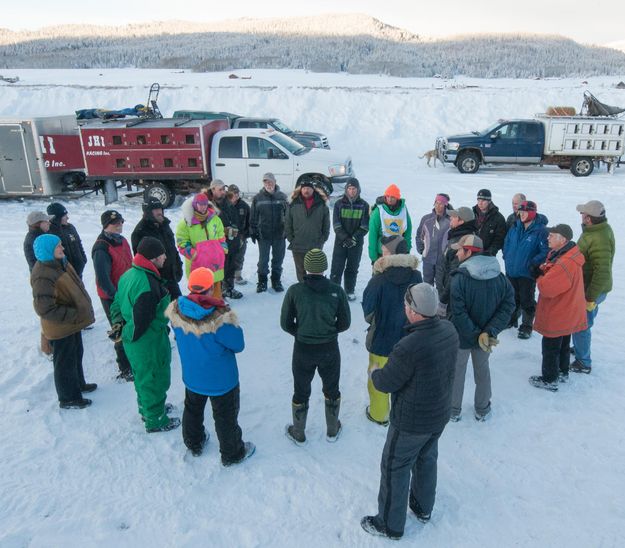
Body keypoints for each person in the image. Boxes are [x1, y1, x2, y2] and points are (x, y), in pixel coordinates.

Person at [361, 283, 458, 540]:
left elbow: (386, 382)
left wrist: (375, 373)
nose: (404, 308)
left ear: (414, 312)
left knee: (395, 466)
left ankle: (390, 525)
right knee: (427, 459)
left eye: (406, 305)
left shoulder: (409, 346)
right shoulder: (448, 329)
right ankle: (423, 507)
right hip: (438, 415)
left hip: (411, 423)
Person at [166, 267, 255, 465]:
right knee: (225, 416)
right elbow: (238, 345)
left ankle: (194, 442)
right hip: (221, 379)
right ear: (211, 288)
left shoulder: (176, 312)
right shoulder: (220, 319)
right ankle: (232, 453)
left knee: (193, 409)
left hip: (193, 375)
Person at [280, 249, 351, 445]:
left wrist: (301, 332)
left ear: (306, 268)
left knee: (301, 390)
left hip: (303, 349)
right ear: (325, 268)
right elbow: (345, 323)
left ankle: (299, 432)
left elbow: (285, 323)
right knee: (332, 388)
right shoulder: (337, 291)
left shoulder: (295, 291)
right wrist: (329, 332)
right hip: (329, 349)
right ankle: (332, 429)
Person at [111, 237, 180, 433]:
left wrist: (120, 326)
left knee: (143, 376)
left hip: (135, 341)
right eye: (162, 254)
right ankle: (155, 419)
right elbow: (142, 321)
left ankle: (148, 408)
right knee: (154, 377)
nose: (165, 257)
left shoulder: (129, 274)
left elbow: (116, 304)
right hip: (147, 341)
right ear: (152, 258)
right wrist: (131, 333)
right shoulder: (147, 284)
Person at [448, 235, 514, 422]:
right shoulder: (501, 278)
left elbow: (458, 313)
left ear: (469, 252)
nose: (457, 252)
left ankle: (453, 410)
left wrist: (478, 333)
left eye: (460, 249)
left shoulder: (459, 279)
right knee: (482, 370)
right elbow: (508, 306)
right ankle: (482, 409)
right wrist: (488, 332)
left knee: (457, 372)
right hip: (485, 338)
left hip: (462, 336)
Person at [30, 234, 96, 409]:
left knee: (75, 355)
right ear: (48, 250)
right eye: (59, 246)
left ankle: (78, 385)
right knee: (64, 362)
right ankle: (68, 398)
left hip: (71, 323)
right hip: (61, 326)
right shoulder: (43, 274)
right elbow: (44, 308)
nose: (63, 248)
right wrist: (72, 314)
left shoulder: (59, 263)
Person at [362, 235, 422, 425]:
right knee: (405, 378)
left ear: (393, 253)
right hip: (409, 339)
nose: (382, 252)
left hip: (381, 341)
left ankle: (379, 415)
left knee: (377, 377)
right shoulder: (416, 276)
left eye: (385, 249)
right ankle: (401, 413)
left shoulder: (378, 279)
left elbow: (368, 311)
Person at [530, 224, 587, 391]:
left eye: (552, 235)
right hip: (568, 309)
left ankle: (549, 379)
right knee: (563, 342)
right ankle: (562, 372)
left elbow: (547, 288)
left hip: (559, 310)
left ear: (563, 240)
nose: (548, 238)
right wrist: (546, 269)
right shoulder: (567, 254)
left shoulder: (565, 263)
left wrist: (539, 276)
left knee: (550, 345)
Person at [571, 200, 615, 374]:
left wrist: (589, 297)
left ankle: (583, 362)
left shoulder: (598, 238)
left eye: (583, 213)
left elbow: (602, 271)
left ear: (589, 218)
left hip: (593, 289)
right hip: (589, 286)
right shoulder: (597, 230)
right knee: (582, 323)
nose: (581, 215)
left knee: (581, 324)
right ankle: (580, 347)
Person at [92, 210, 134, 381]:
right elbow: (103, 279)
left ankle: (133, 358)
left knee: (130, 325)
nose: (119, 225)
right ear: (105, 226)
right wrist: (117, 299)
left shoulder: (122, 240)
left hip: (126, 292)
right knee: (120, 330)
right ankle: (125, 367)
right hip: (113, 297)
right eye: (115, 223)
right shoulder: (101, 247)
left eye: (121, 222)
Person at [503, 200, 549, 339]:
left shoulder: (540, 231)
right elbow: (507, 243)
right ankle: (511, 320)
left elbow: (546, 250)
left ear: (532, 213)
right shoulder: (515, 226)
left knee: (526, 300)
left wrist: (533, 263)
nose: (521, 215)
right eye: (520, 212)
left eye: (524, 212)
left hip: (527, 272)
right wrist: (507, 256)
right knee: (512, 297)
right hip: (511, 270)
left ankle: (527, 326)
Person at [176, 192, 226, 299]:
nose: (203, 207)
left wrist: (222, 249)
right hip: (198, 266)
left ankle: (217, 312)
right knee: (201, 297)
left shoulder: (215, 219)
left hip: (215, 264)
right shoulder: (186, 223)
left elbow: (221, 235)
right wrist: (196, 255)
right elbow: (182, 244)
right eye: (200, 204)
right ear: (195, 205)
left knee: (216, 295)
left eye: (205, 204)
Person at [131, 198, 183, 299]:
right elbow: (141, 261)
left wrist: (178, 266)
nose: (159, 212)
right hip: (157, 281)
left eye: (160, 209)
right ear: (147, 212)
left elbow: (172, 249)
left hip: (172, 277)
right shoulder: (140, 232)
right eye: (155, 210)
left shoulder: (164, 225)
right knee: (163, 312)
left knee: (178, 308)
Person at [329, 177, 370, 301]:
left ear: (358, 190)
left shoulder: (364, 205)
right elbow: (336, 224)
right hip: (340, 242)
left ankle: (349, 290)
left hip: (356, 243)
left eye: (354, 189)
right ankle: (334, 290)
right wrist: (345, 238)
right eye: (350, 188)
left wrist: (353, 238)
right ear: (346, 189)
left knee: (352, 268)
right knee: (337, 267)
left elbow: (365, 226)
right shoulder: (339, 204)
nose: (352, 191)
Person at [285, 179, 330, 283]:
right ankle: (303, 288)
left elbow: (326, 223)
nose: (306, 190)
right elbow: (287, 222)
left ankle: (313, 289)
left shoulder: (321, 204)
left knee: (315, 269)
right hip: (298, 244)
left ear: (313, 190)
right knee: (300, 270)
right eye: (304, 188)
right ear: (300, 190)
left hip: (315, 243)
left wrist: (323, 238)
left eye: (308, 188)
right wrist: (290, 238)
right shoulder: (293, 204)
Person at [250, 172, 288, 293]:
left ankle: (276, 281)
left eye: (270, 181)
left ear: (275, 182)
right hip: (264, 235)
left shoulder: (282, 197)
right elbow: (253, 217)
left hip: (279, 235)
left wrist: (288, 231)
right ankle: (262, 282)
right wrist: (253, 231)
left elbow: (288, 216)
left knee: (278, 260)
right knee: (263, 261)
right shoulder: (257, 198)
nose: (268, 184)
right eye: (266, 182)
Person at [435, 206, 477, 315]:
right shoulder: (456, 235)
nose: (450, 219)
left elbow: (454, 274)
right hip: (446, 291)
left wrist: (443, 300)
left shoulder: (462, 242)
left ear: (461, 221)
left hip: (450, 297)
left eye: (454, 217)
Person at [207, 179, 243, 299]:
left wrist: (235, 231)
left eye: (224, 189)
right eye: (220, 189)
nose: (223, 192)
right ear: (213, 190)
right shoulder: (207, 205)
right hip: (216, 244)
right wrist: (224, 231)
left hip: (231, 242)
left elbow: (235, 219)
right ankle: (217, 293)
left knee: (230, 267)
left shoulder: (227, 202)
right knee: (217, 270)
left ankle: (229, 289)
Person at [24, 211, 54, 356]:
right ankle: (48, 346)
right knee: (48, 311)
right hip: (44, 281)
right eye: (46, 221)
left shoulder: (40, 236)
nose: (49, 223)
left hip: (48, 278)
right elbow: (37, 263)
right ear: (38, 223)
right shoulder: (34, 239)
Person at [368, 184, 412, 263]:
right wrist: (373, 257)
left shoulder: (403, 210)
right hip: (382, 254)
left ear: (397, 198)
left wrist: (407, 249)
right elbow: (372, 234)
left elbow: (408, 231)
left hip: (399, 253)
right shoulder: (378, 211)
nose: (389, 199)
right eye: (387, 196)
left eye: (392, 197)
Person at [415, 193, 451, 284]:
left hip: (442, 261)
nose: (438, 206)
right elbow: (419, 235)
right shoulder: (426, 219)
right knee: (427, 285)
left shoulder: (450, 220)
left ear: (445, 205)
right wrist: (421, 249)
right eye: (436, 203)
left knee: (441, 286)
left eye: (441, 204)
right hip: (428, 259)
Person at [46, 202, 88, 277]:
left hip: (78, 270)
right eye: (64, 216)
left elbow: (78, 243)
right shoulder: (50, 232)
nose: (67, 218)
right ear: (57, 218)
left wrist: (83, 259)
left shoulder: (70, 227)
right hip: (64, 274)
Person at [227, 184, 251, 287]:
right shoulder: (224, 205)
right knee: (228, 258)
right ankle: (227, 277)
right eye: (233, 194)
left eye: (237, 193)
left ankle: (237, 275)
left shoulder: (244, 206)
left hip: (241, 236)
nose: (235, 196)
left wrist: (245, 235)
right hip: (227, 237)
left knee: (239, 257)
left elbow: (250, 221)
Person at [472, 189, 506, 256]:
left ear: (489, 201)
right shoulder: (472, 214)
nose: (480, 203)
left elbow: (499, 239)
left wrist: (490, 251)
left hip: (487, 255)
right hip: (470, 253)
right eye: (478, 200)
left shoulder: (498, 218)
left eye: (483, 200)